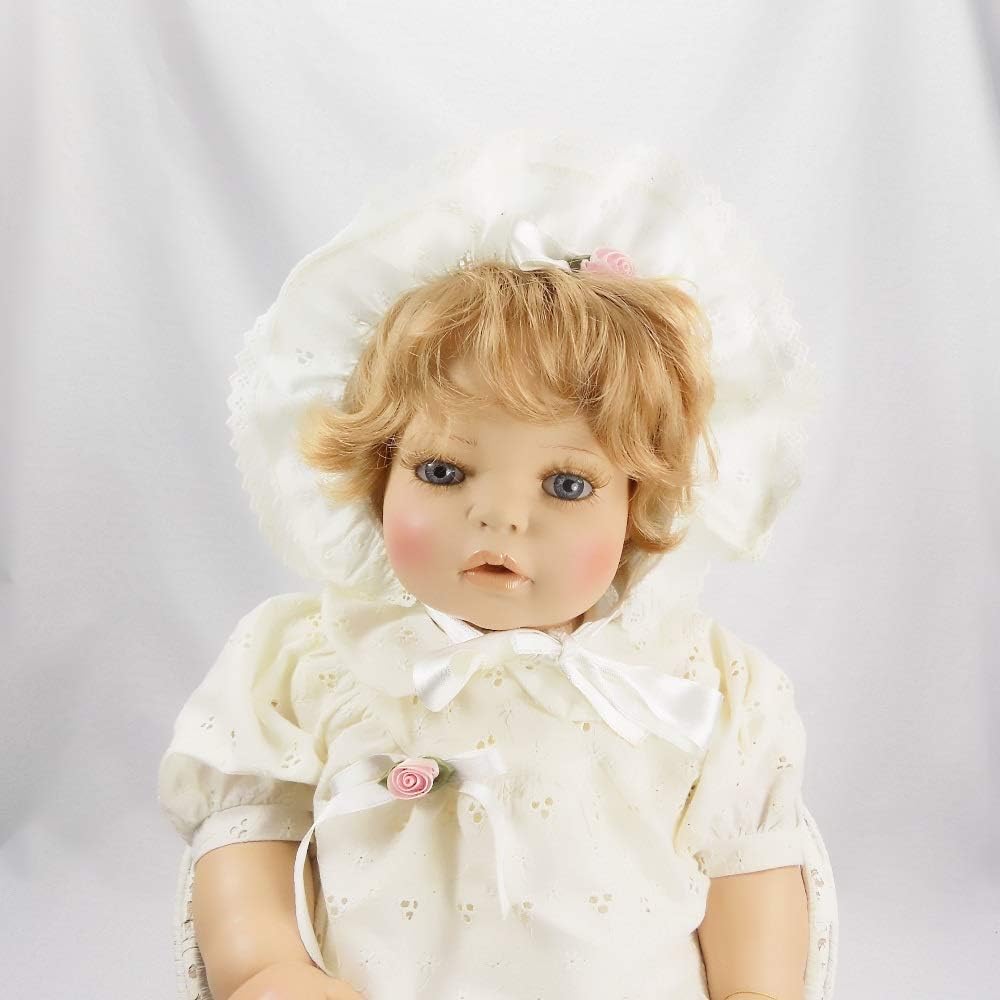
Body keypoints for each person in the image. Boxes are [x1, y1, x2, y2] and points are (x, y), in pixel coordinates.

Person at [158, 129, 838, 1000]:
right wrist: (266, 968)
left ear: (641, 505)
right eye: (444, 472)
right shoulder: (309, 665)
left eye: (566, 483)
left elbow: (753, 883)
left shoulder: (701, 687)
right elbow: (247, 845)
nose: (502, 516)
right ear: (377, 475)